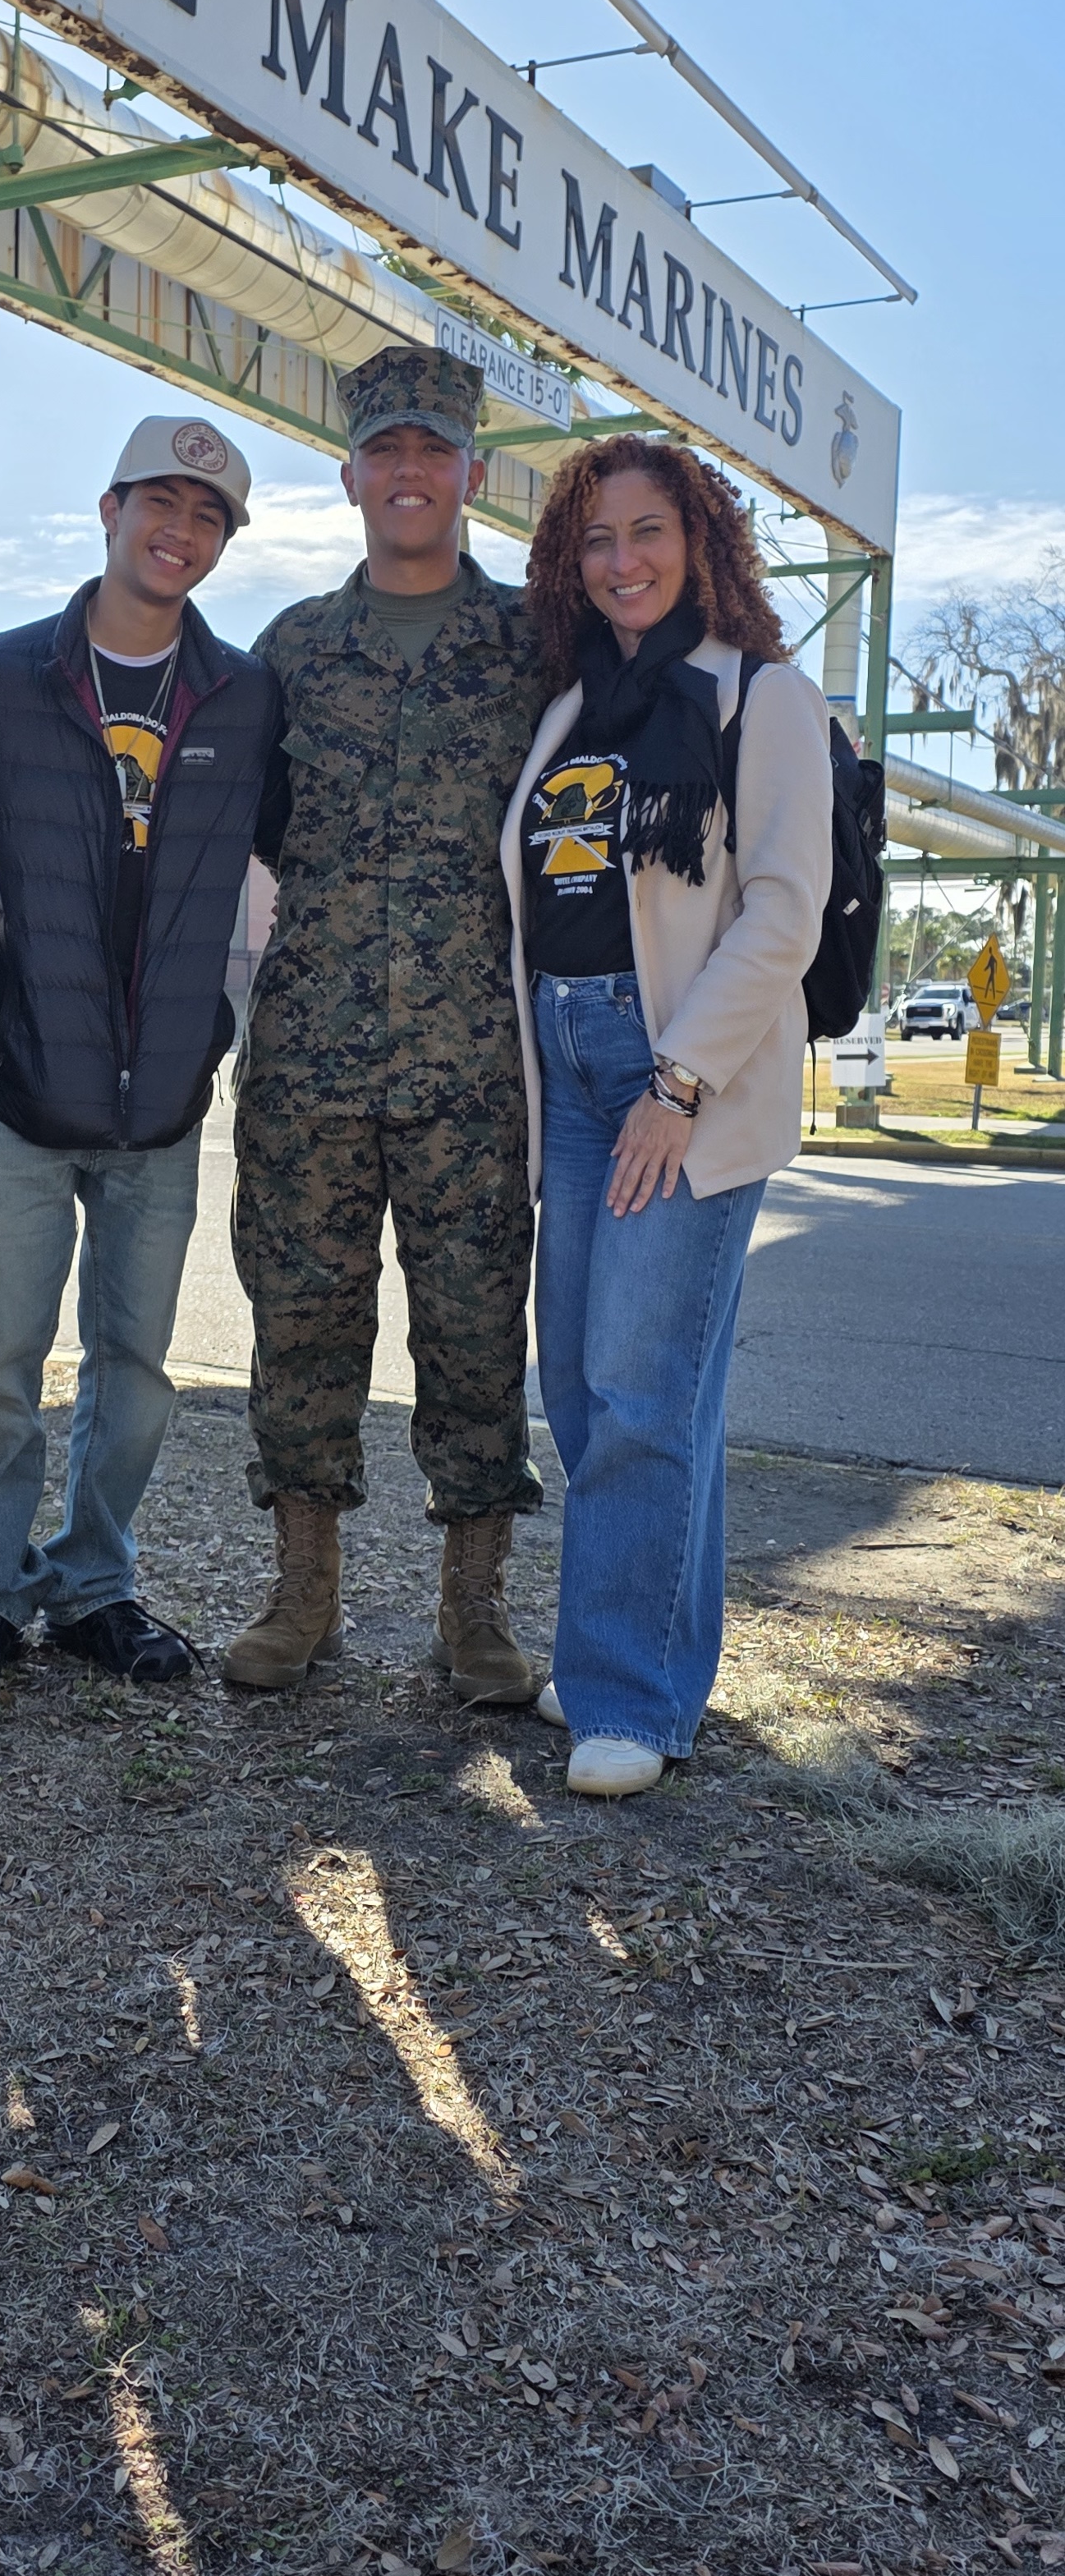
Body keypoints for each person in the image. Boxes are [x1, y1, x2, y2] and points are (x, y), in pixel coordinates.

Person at [0, 414, 282, 1699]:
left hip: (163, 1112)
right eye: (160, 504)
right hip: (24, 1092)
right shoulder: (1, 674)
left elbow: (305, 863)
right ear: (108, 506)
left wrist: (217, 1029)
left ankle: (93, 1584)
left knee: (134, 1373)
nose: (179, 532)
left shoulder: (244, 699)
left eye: (208, 517)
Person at [503, 438, 832, 1798]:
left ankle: (627, 1698)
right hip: (569, 1070)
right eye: (595, 539)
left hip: (677, 1079)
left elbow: (783, 911)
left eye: (648, 531)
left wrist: (678, 1083)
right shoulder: (572, 707)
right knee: (589, 1390)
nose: (622, 560)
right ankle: (624, 1665)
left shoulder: (766, 699)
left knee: (645, 1389)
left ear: (700, 542)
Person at [223, 345, 549, 1700]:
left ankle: (473, 1613)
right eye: (387, 450)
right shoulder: (293, 649)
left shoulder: (537, 645)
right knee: (302, 1324)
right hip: (309, 1058)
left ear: (472, 474)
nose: (410, 472)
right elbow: (225, 828)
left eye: (434, 451)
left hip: (476, 1060)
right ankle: (305, 1595)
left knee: (475, 1332)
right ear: (352, 473)